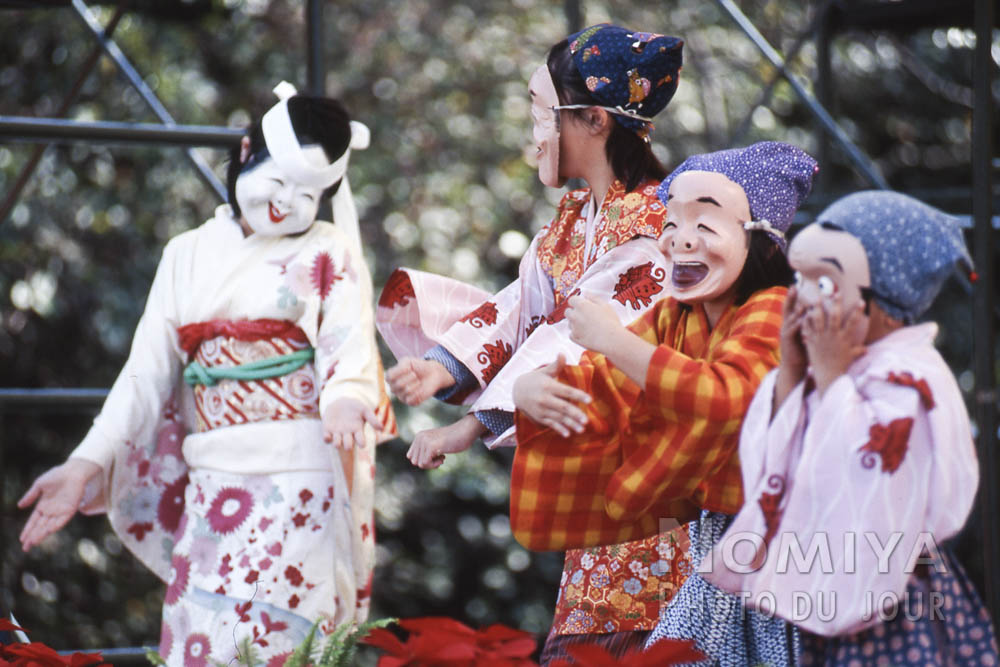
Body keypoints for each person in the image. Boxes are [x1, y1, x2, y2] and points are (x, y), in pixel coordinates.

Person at [18, 83, 394, 663]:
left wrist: (345, 393)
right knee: (200, 640)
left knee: (283, 643)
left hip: (300, 481)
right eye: (279, 181)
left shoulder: (329, 250)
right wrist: (84, 463)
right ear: (246, 151)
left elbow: (347, 340)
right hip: (214, 485)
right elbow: (145, 374)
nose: (286, 203)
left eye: (307, 194)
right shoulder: (186, 252)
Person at [376, 26, 688, 654]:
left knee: (636, 634)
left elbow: (571, 345)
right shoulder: (577, 219)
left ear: (595, 119)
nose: (534, 131)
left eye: (541, 112)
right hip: (596, 481)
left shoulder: (656, 226)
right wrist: (444, 366)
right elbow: (518, 307)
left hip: (651, 479)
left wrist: (468, 427)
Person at [510, 141, 818, 663]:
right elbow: (607, 388)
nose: (678, 241)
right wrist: (534, 391)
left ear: (760, 240)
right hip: (717, 542)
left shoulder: (776, 310)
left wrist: (613, 340)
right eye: (671, 224)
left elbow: (728, 398)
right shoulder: (675, 319)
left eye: (705, 224)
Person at [702, 190, 999, 664]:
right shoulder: (838, 364)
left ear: (880, 300)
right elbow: (773, 463)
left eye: (823, 282)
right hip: (830, 585)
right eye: (800, 280)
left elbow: (871, 480)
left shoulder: (910, 379)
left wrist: (834, 377)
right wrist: (795, 375)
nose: (802, 299)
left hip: (894, 600)